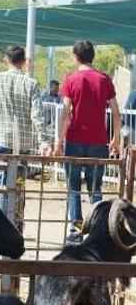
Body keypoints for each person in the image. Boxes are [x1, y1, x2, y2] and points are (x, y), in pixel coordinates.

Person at [52, 40, 120, 244]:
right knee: (95, 187)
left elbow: (65, 113)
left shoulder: (70, 79)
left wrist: (58, 141)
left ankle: (75, 230)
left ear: (75, 56)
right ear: (93, 56)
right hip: (99, 141)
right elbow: (116, 112)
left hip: (74, 139)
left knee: (74, 187)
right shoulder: (105, 79)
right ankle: (98, 229)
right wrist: (115, 138)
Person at [0, 46, 47, 219]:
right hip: (23, 142)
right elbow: (37, 116)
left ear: (6, 59)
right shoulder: (32, 83)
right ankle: (17, 222)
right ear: (24, 62)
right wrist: (43, 141)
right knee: (19, 184)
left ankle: (4, 224)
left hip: (1, 140)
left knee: (2, 185)